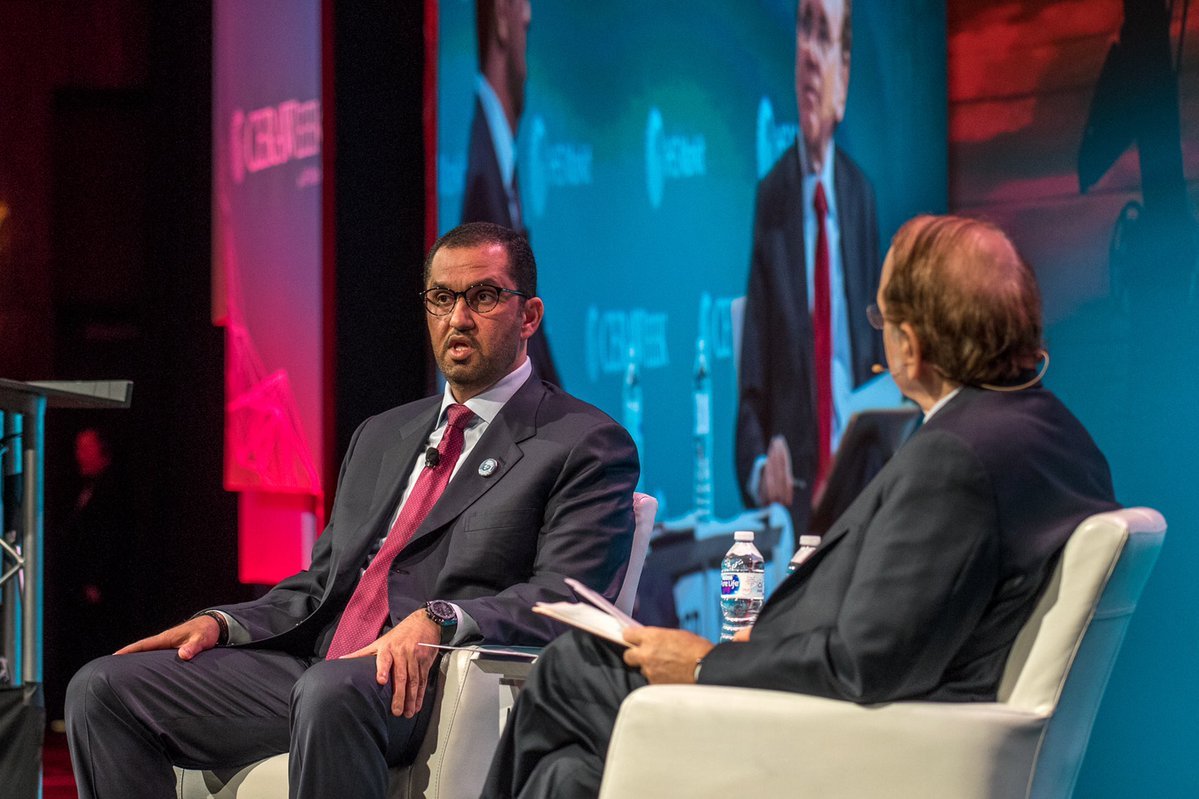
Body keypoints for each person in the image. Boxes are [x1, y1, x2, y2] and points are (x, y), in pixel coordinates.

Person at [481, 214, 1119, 799]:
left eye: (882, 318)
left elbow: (864, 662)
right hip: (871, 720)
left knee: (571, 666)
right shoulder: (1058, 436)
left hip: (836, 742)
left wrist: (704, 661)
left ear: (912, 345)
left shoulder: (956, 457)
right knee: (567, 780)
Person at [65, 222, 639, 799]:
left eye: (483, 296)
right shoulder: (382, 434)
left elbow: (567, 602)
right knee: (102, 688)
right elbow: (321, 583)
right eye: (441, 298)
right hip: (317, 667)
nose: (458, 319)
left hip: (427, 682)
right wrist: (225, 622)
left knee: (330, 692)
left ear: (530, 316)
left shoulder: (581, 442)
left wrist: (440, 618)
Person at [736, 0, 883, 536]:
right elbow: (751, 383)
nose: (807, 52)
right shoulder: (772, 199)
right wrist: (759, 470)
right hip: (799, 494)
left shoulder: (860, 195)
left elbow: (879, 358)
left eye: (823, 35)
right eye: (802, 27)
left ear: (843, 79)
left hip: (866, 481)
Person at [462, 0, 561, 386]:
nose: (529, 16)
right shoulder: (481, 175)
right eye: (521, 3)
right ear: (502, 15)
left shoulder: (500, 165)